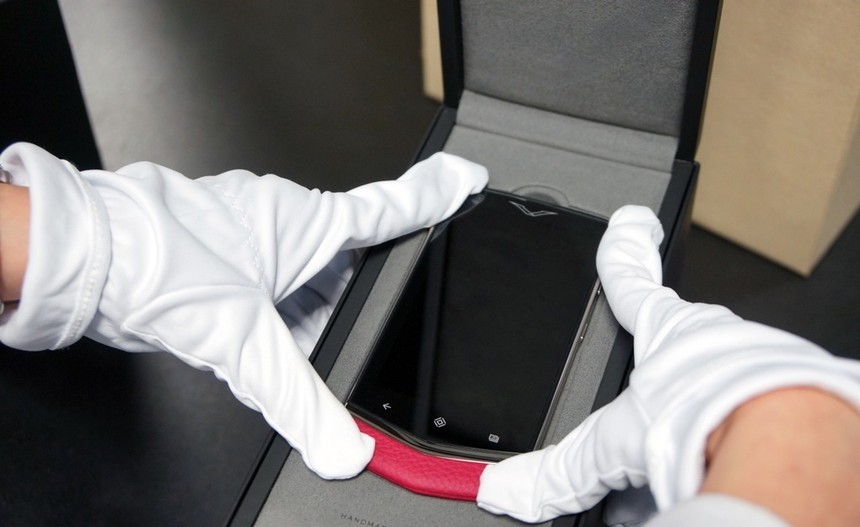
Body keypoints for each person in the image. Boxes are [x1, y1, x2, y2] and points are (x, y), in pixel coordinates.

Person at [0, 141, 488, 480]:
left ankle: (436, 187)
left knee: (355, 219)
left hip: (258, 222)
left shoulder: (142, 284)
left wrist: (323, 435)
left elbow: (246, 340)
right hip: (220, 214)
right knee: (318, 311)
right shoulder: (110, 268)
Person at [476, 205, 860, 526]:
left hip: (719, 354)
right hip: (708, 357)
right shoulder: (657, 413)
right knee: (637, 293)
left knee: (639, 294)